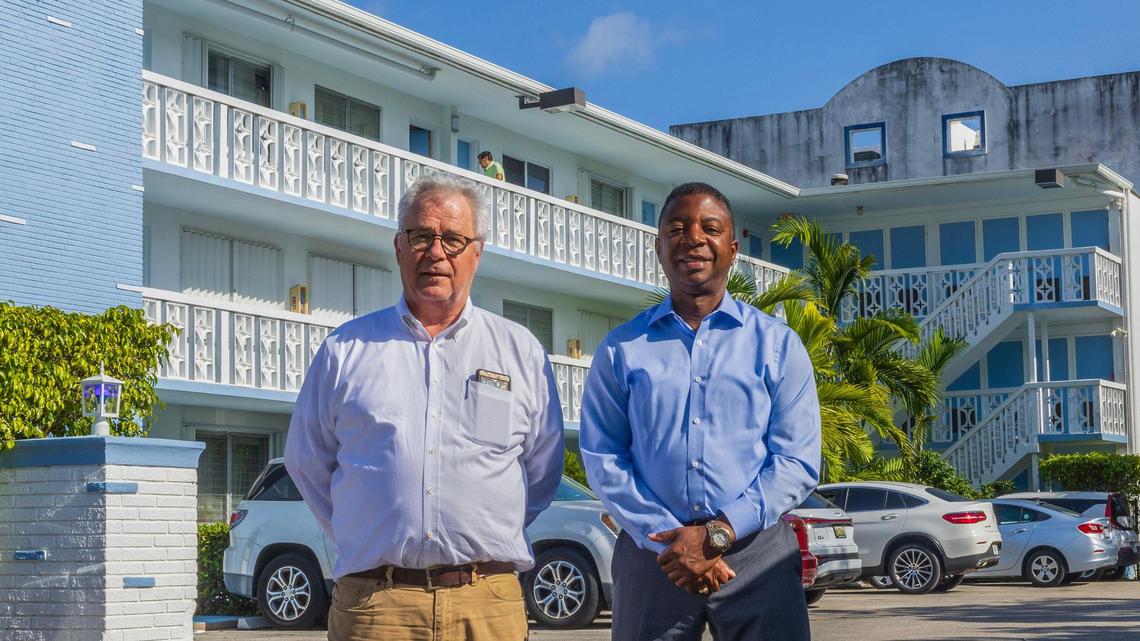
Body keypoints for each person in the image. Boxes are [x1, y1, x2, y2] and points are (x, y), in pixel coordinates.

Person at [285, 173, 564, 641]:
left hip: (487, 604)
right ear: (399, 248)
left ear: (477, 253)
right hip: (376, 607)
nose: (436, 253)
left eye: (453, 239)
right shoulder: (346, 349)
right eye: (421, 236)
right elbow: (306, 461)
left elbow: (541, 470)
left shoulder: (520, 352)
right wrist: (369, 534)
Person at [579, 182, 821, 641]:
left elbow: (796, 461)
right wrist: (669, 538)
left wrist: (718, 534)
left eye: (709, 228)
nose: (693, 238)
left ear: (732, 250)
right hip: (654, 557)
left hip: (757, 555)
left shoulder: (777, 346)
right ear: (658, 248)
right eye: (677, 228)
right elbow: (603, 455)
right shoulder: (621, 350)